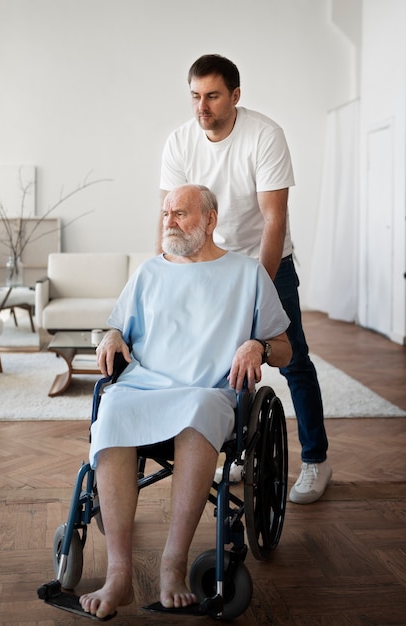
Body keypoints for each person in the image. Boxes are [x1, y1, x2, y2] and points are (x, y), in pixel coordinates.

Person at [80, 184, 291, 619]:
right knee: (114, 408)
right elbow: (117, 328)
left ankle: (172, 566)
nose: (168, 222)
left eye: (180, 213)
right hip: (145, 386)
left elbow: (284, 348)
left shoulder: (247, 274)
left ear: (210, 220)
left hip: (208, 390)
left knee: (198, 410)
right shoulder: (149, 272)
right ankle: (118, 572)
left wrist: (258, 347)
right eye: (165, 214)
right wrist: (113, 335)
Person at [159, 54, 332, 505]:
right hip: (208, 265)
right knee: (226, 360)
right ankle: (240, 453)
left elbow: (274, 220)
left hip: (267, 261)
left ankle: (315, 459)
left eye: (212, 96)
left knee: (291, 359)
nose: (202, 107)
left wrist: (259, 286)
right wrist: (169, 276)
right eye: (195, 96)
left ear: (235, 96)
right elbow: (173, 219)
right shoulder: (179, 142)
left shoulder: (265, 136)